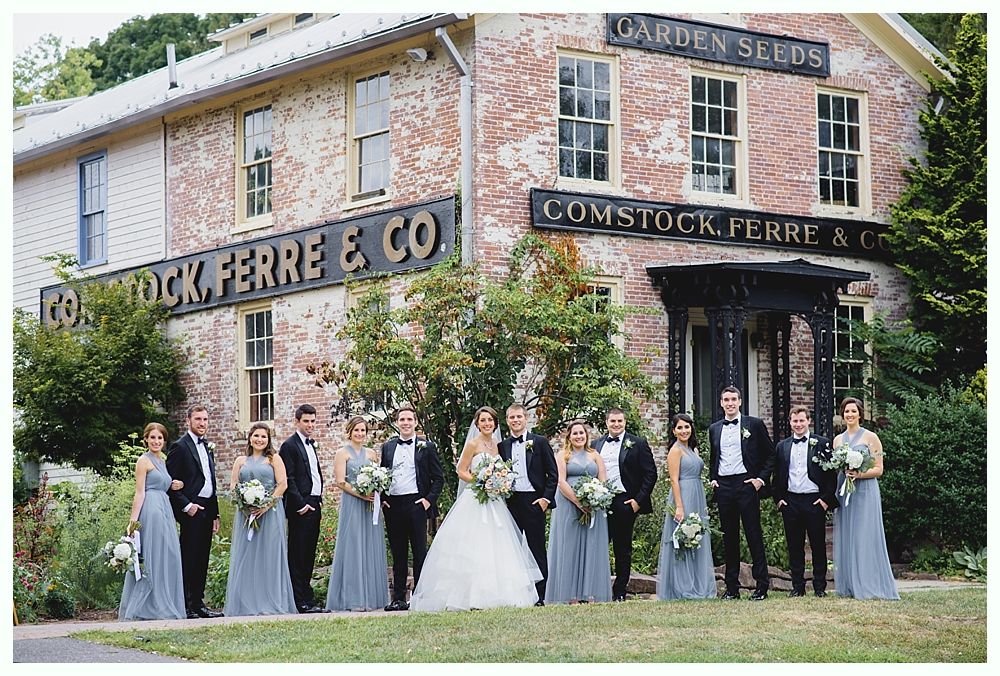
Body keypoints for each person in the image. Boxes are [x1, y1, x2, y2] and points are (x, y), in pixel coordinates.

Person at [410, 406, 542, 611]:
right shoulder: (473, 444)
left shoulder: (500, 446)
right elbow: (461, 470)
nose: (487, 423)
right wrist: (481, 482)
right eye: (483, 420)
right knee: (474, 544)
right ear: (477, 424)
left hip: (495, 501)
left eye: (490, 420)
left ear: (495, 424)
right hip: (476, 498)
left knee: (498, 545)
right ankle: (468, 597)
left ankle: (500, 595)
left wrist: (498, 482)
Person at [708, 386, 775, 601]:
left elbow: (770, 455)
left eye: (733, 399)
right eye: (726, 399)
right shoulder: (714, 429)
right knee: (730, 538)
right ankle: (732, 588)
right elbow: (714, 457)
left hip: (746, 484)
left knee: (753, 535)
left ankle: (761, 587)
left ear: (740, 402)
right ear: (721, 403)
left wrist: (759, 480)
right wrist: (713, 479)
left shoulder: (753, 425)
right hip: (724, 487)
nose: (729, 403)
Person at [224, 422, 297, 616]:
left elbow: (282, 485)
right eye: (256, 435)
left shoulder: (274, 459)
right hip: (246, 514)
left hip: (270, 513)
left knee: (269, 556)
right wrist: (244, 504)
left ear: (268, 440)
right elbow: (233, 485)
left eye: (264, 437)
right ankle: (247, 603)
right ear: (250, 438)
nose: (259, 439)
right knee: (247, 557)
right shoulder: (240, 460)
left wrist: (264, 506)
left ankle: (269, 602)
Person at [832, 397, 899, 600]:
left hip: (865, 491)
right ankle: (850, 584)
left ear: (860, 414)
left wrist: (859, 474)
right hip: (846, 492)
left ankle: (869, 584)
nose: (850, 415)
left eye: (853, 411)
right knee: (848, 535)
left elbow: (879, 469)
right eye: (846, 411)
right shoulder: (837, 440)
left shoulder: (871, 437)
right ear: (842, 414)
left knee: (864, 535)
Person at [118, 423, 187, 620]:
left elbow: (162, 483)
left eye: (160, 438)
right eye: (153, 437)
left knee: (169, 555)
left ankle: (162, 602)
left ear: (164, 441)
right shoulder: (143, 461)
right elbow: (139, 493)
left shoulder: (162, 461)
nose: (156, 441)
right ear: (146, 439)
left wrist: (174, 484)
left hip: (165, 509)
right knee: (153, 556)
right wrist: (133, 523)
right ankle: (148, 608)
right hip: (152, 509)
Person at [380, 404, 445, 611]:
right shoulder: (388, 447)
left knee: (419, 552)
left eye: (409, 419)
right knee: (398, 553)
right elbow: (382, 474)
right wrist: (383, 498)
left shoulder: (427, 447)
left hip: (417, 504)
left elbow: (438, 478)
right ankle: (398, 598)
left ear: (415, 422)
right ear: (397, 423)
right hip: (394, 505)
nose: (406, 423)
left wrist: (427, 501)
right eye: (402, 420)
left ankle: (420, 597)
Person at [773, 405, 839, 597]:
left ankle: (820, 587)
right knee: (794, 547)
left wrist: (825, 500)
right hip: (791, 501)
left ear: (808, 421)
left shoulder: (822, 443)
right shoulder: (782, 446)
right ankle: (798, 587)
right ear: (790, 422)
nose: (798, 424)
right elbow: (777, 475)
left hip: (814, 501)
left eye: (802, 420)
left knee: (818, 546)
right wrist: (779, 500)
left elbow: (830, 474)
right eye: (795, 421)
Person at [325, 416, 389, 611]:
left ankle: (372, 597)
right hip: (353, 503)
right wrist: (361, 494)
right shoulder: (342, 453)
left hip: (371, 505)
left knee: (370, 546)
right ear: (350, 432)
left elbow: (379, 478)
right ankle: (353, 598)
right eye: (356, 431)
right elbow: (340, 481)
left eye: (363, 431)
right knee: (353, 546)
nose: (360, 434)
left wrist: (375, 491)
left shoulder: (371, 454)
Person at [593, 408, 657, 601]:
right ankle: (598, 588)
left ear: (625, 422)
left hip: (625, 501)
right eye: (612, 421)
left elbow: (650, 474)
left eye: (619, 421)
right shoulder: (596, 445)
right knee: (598, 546)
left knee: (622, 548)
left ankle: (620, 591)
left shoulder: (637, 443)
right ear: (606, 423)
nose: (616, 424)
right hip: (600, 501)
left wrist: (638, 501)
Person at [546, 420, 612, 605]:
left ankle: (590, 592)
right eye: (575, 433)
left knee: (592, 546)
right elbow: (560, 481)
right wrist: (577, 501)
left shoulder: (594, 455)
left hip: (593, 507)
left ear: (586, 435)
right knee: (570, 547)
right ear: (569, 436)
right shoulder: (562, 455)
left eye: (581, 433)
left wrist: (596, 497)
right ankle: (570, 594)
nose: (579, 436)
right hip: (568, 505)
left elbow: (603, 478)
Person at [166, 405, 223, 618]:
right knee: (189, 557)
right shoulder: (180, 447)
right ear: (188, 420)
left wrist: (216, 512)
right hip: (192, 508)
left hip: (207, 507)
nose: (202, 423)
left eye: (205, 419)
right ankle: (186, 605)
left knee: (202, 558)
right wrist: (187, 506)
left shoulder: (207, 446)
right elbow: (170, 483)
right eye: (198, 419)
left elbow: (211, 481)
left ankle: (199, 604)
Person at [498, 403, 558, 605]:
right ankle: (515, 594)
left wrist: (545, 500)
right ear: (507, 421)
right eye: (511, 417)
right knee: (511, 549)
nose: (515, 420)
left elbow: (553, 474)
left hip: (534, 501)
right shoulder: (503, 446)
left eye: (518, 417)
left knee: (536, 549)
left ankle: (540, 596)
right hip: (511, 503)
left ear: (526, 419)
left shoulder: (539, 442)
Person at [656, 414, 716, 600]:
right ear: (673, 431)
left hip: (697, 495)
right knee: (682, 539)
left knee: (696, 538)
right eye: (680, 428)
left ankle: (697, 584)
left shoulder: (693, 449)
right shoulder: (675, 451)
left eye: (687, 427)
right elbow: (674, 480)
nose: (684, 431)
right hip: (683, 495)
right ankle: (682, 587)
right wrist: (679, 507)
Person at [277, 404, 328, 614]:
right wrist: (300, 504)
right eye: (306, 421)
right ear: (297, 421)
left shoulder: (310, 444)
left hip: (314, 503)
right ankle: (300, 602)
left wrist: (318, 500)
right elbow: (288, 478)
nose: (310, 425)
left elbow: (313, 473)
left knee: (308, 555)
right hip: (302, 507)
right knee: (298, 555)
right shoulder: (289, 445)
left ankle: (308, 599)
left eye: (313, 421)